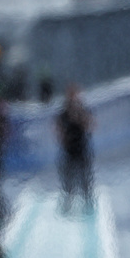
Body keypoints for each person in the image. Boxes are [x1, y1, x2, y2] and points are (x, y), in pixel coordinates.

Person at [55, 83, 94, 212]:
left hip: (81, 148)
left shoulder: (82, 110)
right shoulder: (64, 112)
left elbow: (90, 125)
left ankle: (88, 202)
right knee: (68, 180)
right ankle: (67, 204)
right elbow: (58, 129)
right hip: (69, 150)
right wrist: (63, 138)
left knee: (85, 179)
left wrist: (79, 118)